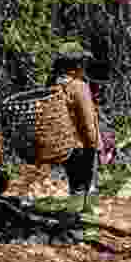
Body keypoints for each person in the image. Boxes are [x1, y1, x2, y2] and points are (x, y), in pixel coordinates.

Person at [42, 41, 100, 213]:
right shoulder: (78, 87)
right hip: (82, 144)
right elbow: (87, 120)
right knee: (88, 183)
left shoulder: (53, 85)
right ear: (75, 66)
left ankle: (75, 216)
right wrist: (94, 143)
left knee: (75, 183)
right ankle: (84, 217)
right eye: (82, 63)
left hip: (64, 145)